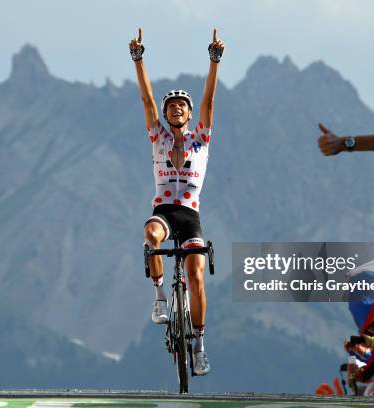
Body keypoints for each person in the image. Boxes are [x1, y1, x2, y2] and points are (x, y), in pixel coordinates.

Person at [130, 27, 224, 376]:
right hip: (164, 212)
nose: (176, 109)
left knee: (196, 277)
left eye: (181, 106)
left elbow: (209, 101)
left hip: (190, 216)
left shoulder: (202, 137)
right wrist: (139, 59)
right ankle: (159, 297)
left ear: (187, 113)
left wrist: (214, 61)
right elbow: (147, 101)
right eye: (172, 107)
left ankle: (199, 346)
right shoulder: (157, 136)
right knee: (150, 235)